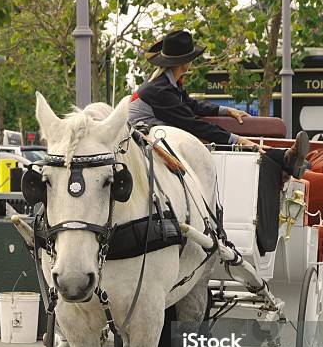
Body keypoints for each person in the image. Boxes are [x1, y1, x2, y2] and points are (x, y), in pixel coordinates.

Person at [129, 30, 310, 254]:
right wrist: (237, 139)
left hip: (158, 133)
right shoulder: (161, 89)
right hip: (146, 137)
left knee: (227, 147)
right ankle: (284, 159)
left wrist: (225, 111)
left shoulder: (166, 83)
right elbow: (193, 123)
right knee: (224, 147)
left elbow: (191, 107)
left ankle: (284, 158)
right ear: (186, 63)